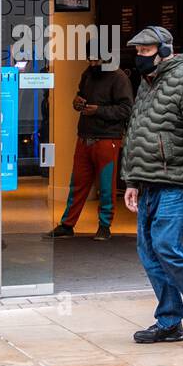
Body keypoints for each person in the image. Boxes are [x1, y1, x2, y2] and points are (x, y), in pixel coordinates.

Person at [121, 25, 183, 345]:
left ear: (165, 50)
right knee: (150, 252)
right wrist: (132, 180)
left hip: (175, 184)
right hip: (149, 183)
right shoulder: (147, 84)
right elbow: (137, 132)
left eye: (146, 51)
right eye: (138, 52)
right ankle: (168, 321)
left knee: (167, 246)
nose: (140, 57)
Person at [45, 42, 133, 242]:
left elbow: (127, 109)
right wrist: (77, 101)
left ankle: (104, 226)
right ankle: (67, 224)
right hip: (85, 135)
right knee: (77, 183)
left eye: (97, 59)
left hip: (108, 137)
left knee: (106, 186)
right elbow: (81, 94)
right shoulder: (88, 73)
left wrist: (98, 110)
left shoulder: (119, 78)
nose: (93, 63)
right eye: (90, 59)